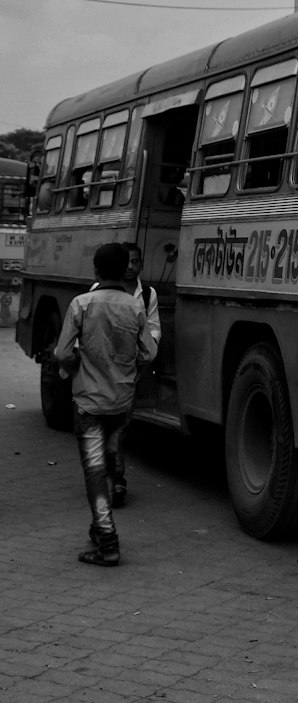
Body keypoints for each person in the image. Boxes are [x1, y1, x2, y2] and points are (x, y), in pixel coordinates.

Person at [53, 240, 157, 567]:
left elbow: (62, 353)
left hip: (89, 403)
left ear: (96, 270)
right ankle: (99, 530)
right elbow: (148, 353)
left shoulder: (81, 304)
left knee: (95, 473)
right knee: (110, 462)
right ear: (124, 268)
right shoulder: (135, 306)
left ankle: (108, 540)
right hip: (122, 401)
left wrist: (75, 368)